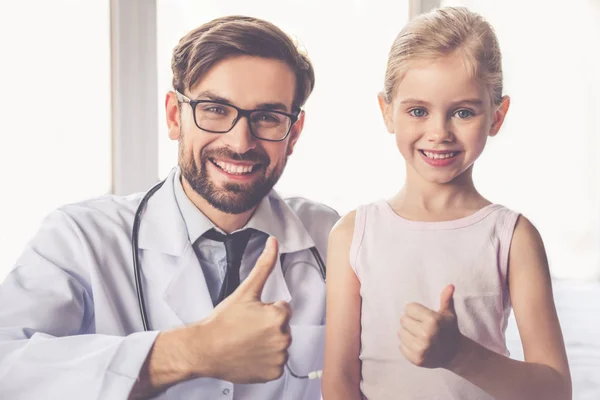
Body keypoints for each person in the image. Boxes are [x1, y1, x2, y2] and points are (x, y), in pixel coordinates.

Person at [0, 16, 339, 399]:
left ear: (293, 133)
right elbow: (6, 366)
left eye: (267, 117)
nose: (240, 142)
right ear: (175, 116)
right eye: (215, 109)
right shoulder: (80, 236)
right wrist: (191, 351)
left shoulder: (332, 239)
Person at [322, 6, 571, 400]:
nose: (439, 132)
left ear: (497, 116)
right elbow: (338, 381)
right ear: (387, 112)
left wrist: (460, 355)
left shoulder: (512, 236)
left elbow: (555, 390)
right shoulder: (353, 234)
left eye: (463, 112)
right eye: (418, 110)